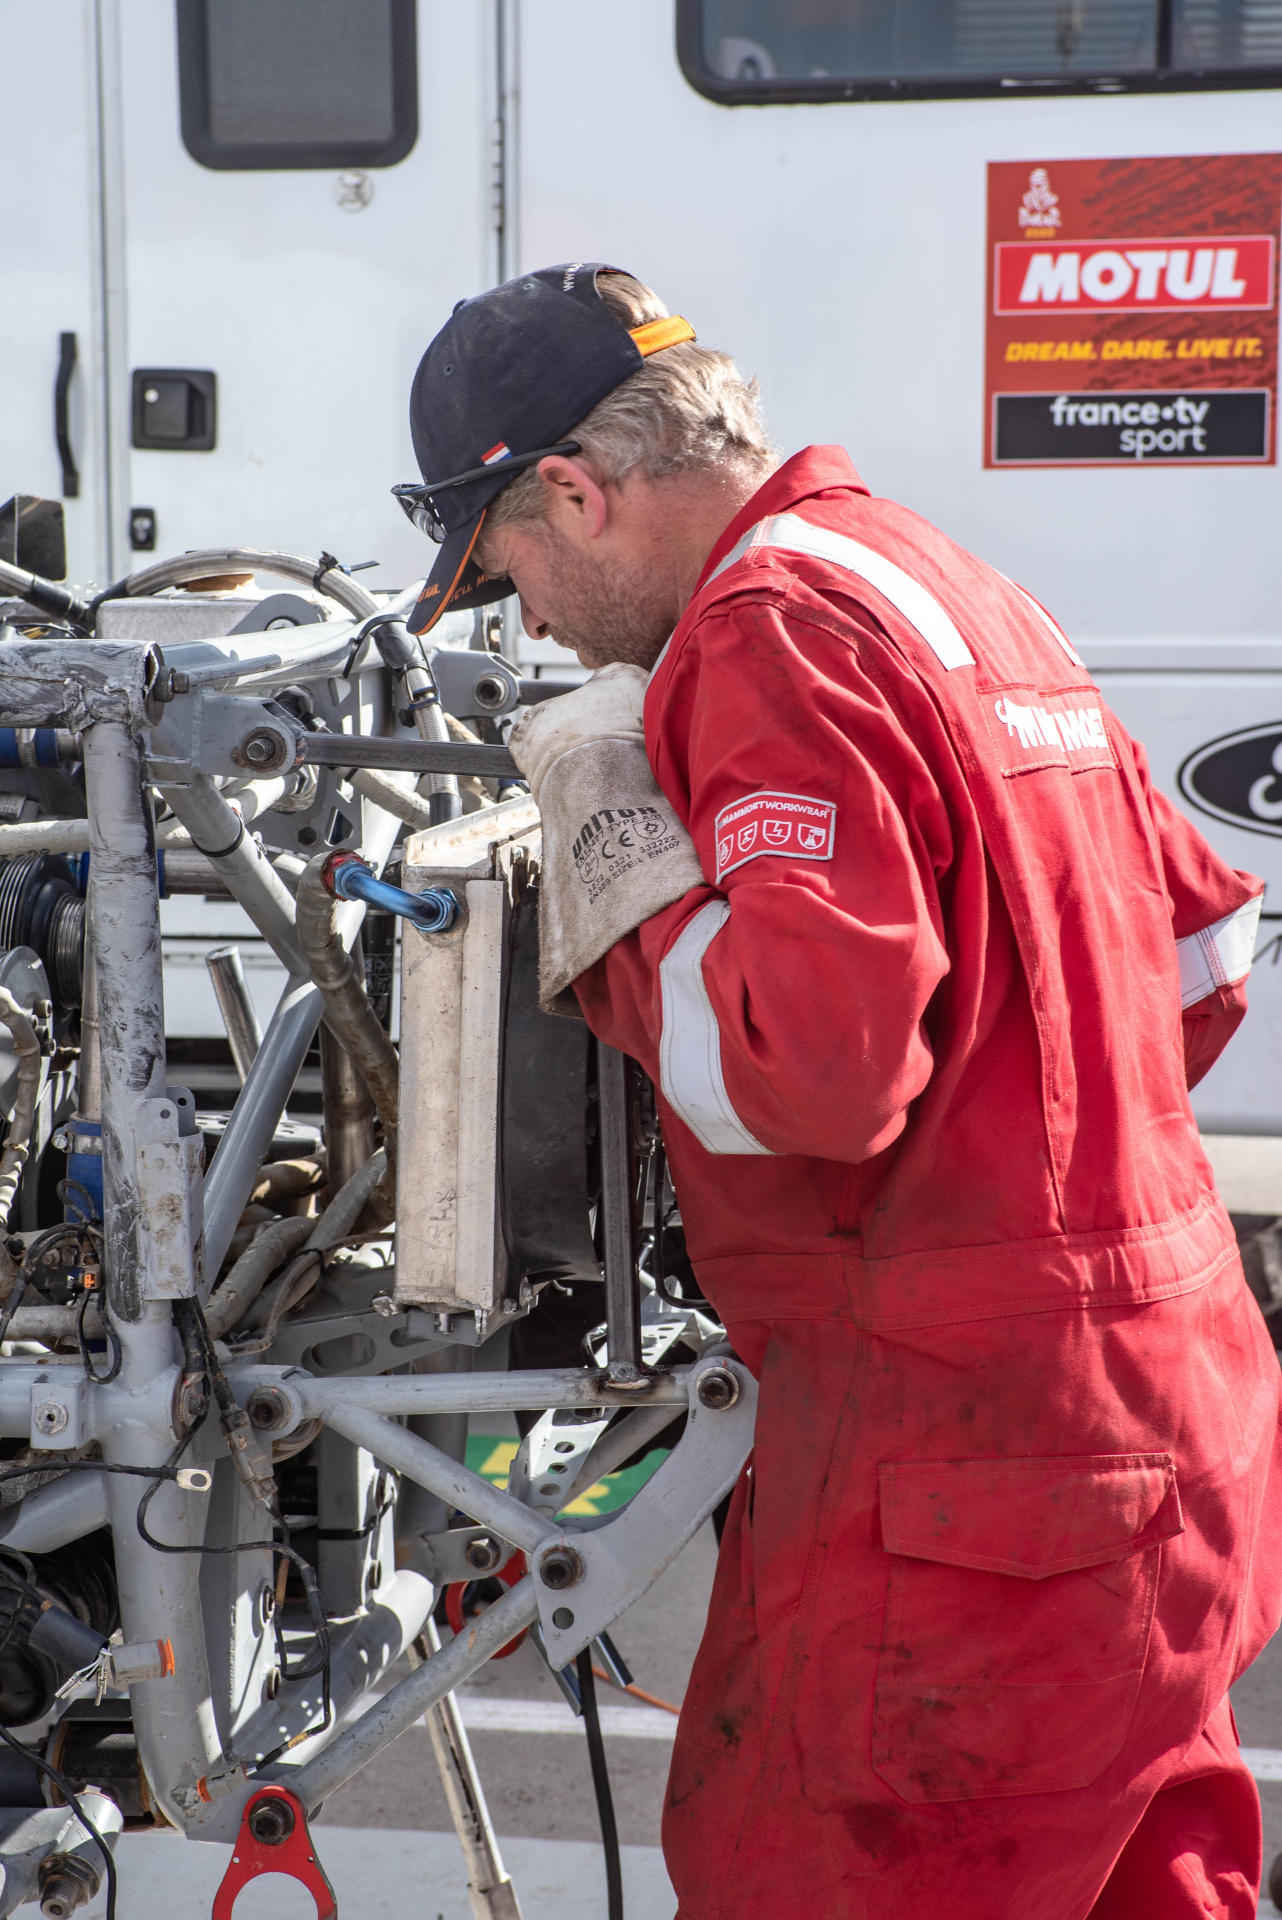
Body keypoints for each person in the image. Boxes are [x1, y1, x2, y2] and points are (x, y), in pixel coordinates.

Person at [395, 263, 1282, 1919]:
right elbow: (1202, 968)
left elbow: (809, 1080)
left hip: (963, 1496)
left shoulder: (763, 637)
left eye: (506, 564)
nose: (523, 620)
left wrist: (616, 858)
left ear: (576, 492)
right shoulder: (940, 577)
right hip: (1165, 1430)